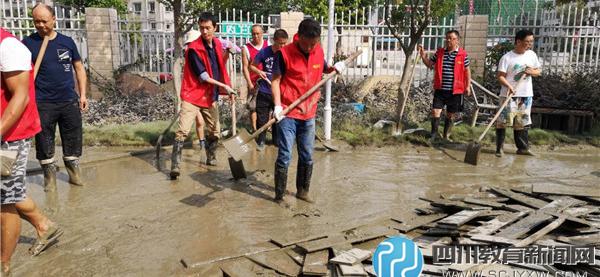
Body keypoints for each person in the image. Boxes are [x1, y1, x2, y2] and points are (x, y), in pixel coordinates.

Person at [1, 27, 63, 275]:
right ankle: (43, 225)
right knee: (10, 193)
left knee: (4, 200)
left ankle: (3, 264)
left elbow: (21, 98)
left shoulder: (8, 47)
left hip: (10, 136)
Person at [271, 19, 345, 204]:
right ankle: (279, 195)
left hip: (308, 113)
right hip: (288, 113)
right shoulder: (285, 54)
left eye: (315, 43)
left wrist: (335, 68)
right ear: (299, 37)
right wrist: (278, 106)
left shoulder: (318, 51)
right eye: (308, 43)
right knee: (285, 155)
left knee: (307, 155)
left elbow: (324, 67)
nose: (311, 47)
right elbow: (276, 81)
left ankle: (302, 192)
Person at [22, 3, 88, 191]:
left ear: (54, 19)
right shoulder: (28, 44)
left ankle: (74, 175)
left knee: (73, 138)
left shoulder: (66, 42)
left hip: (68, 100)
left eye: (44, 21)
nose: (41, 25)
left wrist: (82, 94)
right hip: (42, 102)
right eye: (36, 21)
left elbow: (79, 68)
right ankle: (49, 178)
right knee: (44, 141)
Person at [170, 12, 235, 179]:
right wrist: (225, 87)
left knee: (215, 131)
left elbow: (220, 66)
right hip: (193, 94)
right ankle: (175, 166)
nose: (204, 31)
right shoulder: (193, 49)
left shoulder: (218, 44)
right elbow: (204, 76)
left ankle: (211, 156)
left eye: (207, 28)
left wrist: (227, 89)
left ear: (215, 28)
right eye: (201, 28)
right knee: (182, 131)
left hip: (209, 95)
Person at [419, 30, 471, 142]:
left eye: (451, 38)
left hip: (455, 90)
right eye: (447, 38)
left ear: (457, 40)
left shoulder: (462, 55)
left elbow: (467, 71)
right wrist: (423, 56)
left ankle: (446, 136)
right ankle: (434, 135)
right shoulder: (440, 53)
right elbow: (430, 64)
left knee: (450, 114)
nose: (448, 40)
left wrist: (468, 86)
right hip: (440, 89)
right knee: (435, 111)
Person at [495, 29, 541, 157]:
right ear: (518, 41)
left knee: (522, 122)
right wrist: (509, 86)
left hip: (525, 95)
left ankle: (522, 148)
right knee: (502, 122)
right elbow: (500, 76)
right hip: (508, 96)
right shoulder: (507, 58)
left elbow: (538, 71)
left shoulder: (531, 55)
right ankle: (499, 148)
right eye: (527, 41)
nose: (530, 44)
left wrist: (531, 72)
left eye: (531, 41)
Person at [249, 29, 289, 150]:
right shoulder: (264, 52)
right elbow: (251, 66)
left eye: (284, 43)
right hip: (264, 91)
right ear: (274, 41)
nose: (282, 46)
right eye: (280, 43)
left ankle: (276, 141)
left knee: (278, 119)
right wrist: (259, 71)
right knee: (262, 119)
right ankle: (261, 141)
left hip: (279, 93)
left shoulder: (286, 54)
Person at [242, 25, 268, 132]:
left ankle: (266, 128)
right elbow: (245, 67)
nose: (256, 36)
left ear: (262, 34)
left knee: (267, 106)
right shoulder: (246, 48)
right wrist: (249, 83)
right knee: (253, 107)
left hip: (267, 82)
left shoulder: (268, 45)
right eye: (253, 34)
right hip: (254, 82)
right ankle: (255, 129)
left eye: (258, 33)